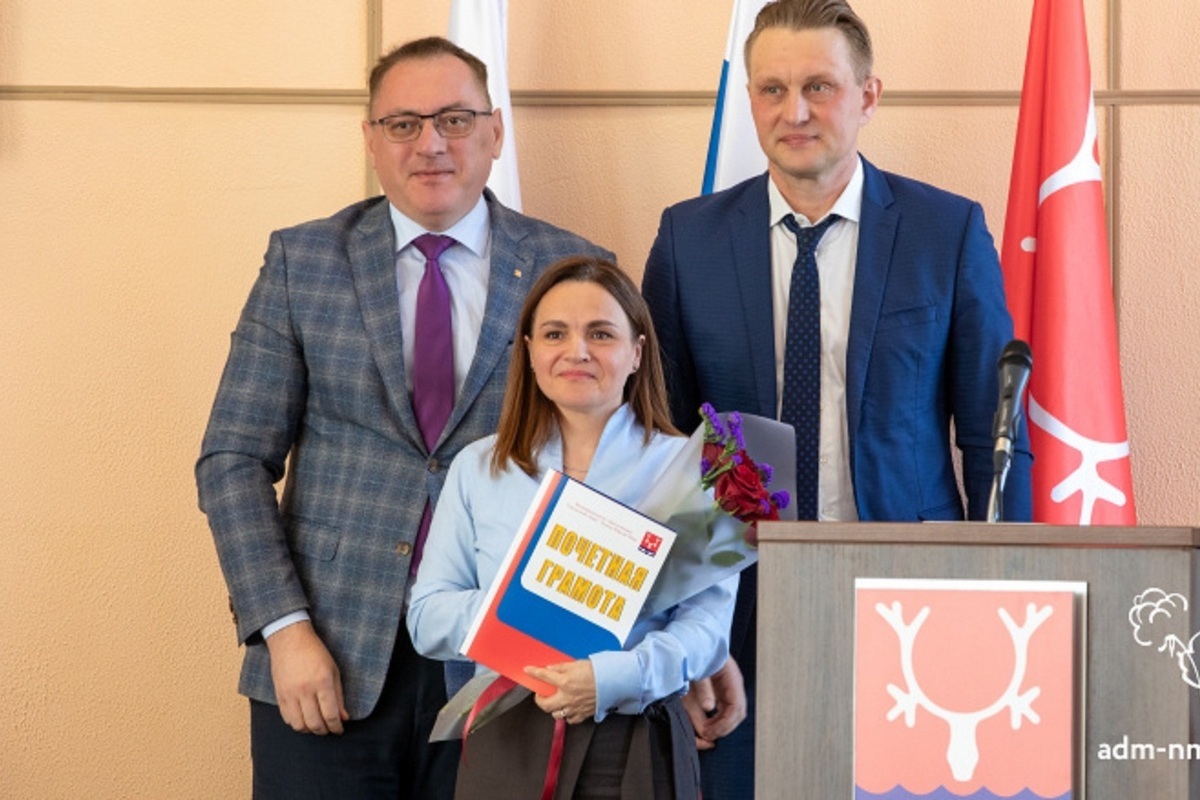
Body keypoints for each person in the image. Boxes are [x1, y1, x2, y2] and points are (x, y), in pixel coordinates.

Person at [196, 36, 610, 799]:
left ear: (494, 132)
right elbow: (232, 460)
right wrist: (284, 629)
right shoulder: (302, 262)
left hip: (512, 669)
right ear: (371, 139)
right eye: (403, 124)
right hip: (327, 663)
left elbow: (619, 460)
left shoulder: (573, 270)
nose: (430, 144)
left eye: (455, 120)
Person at [641, 1, 1034, 797]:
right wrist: (669, 630)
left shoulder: (946, 231)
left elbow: (993, 433)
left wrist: (1008, 595)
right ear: (750, 98)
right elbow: (658, 442)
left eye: (818, 87)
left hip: (912, 596)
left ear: (867, 95)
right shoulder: (688, 240)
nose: (795, 112)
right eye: (773, 89)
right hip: (734, 614)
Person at [407, 256, 737, 799]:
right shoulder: (478, 467)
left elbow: (707, 631)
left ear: (637, 351)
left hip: (636, 732)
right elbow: (427, 617)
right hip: (506, 731)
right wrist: (534, 608)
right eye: (555, 333)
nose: (577, 351)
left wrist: (616, 677)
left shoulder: (693, 472)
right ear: (530, 351)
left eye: (601, 334)